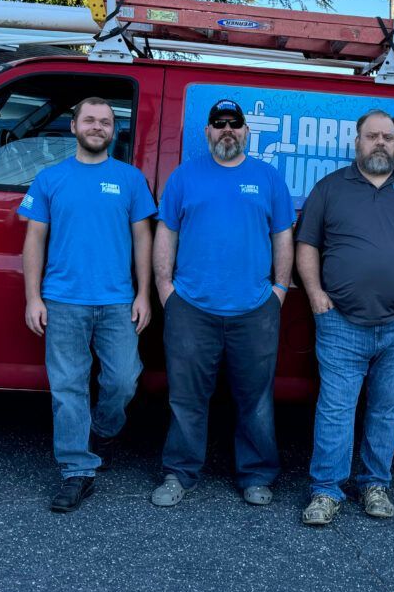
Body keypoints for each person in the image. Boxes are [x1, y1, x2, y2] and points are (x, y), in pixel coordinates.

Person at [295, 109, 394, 525]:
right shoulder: (331, 188)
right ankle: (326, 491)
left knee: (387, 409)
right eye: (372, 136)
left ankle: (374, 485)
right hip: (340, 322)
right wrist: (314, 293)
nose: (380, 142)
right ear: (357, 141)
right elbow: (307, 244)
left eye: (388, 136)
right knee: (336, 409)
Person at [150, 99, 294, 508]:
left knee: (256, 398)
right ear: (207, 131)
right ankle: (180, 473)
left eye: (234, 124)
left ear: (247, 131)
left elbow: (283, 235)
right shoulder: (184, 177)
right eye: (219, 124)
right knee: (186, 398)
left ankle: (256, 475)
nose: (227, 130)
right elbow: (167, 233)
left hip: (254, 310)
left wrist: (279, 291)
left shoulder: (268, 178)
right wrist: (166, 289)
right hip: (191, 308)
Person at [20, 96, 155, 513]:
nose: (98, 127)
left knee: (124, 380)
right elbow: (34, 240)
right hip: (62, 301)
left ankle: (101, 431)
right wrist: (33, 298)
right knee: (67, 388)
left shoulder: (130, 179)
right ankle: (76, 470)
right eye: (90, 120)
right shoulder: (49, 179)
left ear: (114, 131)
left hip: (117, 301)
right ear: (74, 125)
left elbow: (143, 240)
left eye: (106, 122)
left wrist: (144, 293)